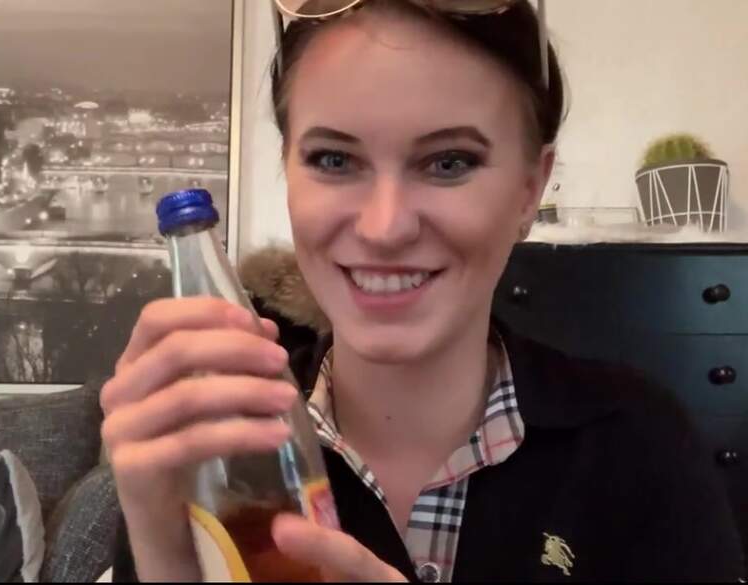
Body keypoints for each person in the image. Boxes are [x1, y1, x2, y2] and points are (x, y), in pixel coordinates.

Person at [101, 0, 744, 581]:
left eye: (449, 162)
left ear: (529, 190)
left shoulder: (640, 448)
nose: (384, 228)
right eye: (333, 160)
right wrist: (162, 557)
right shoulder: (219, 459)